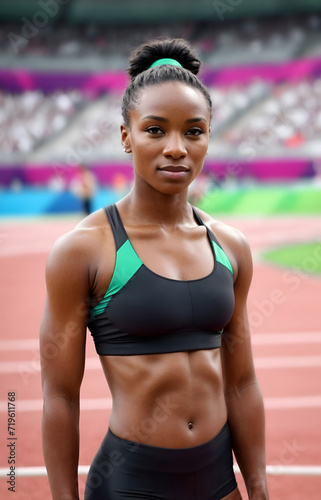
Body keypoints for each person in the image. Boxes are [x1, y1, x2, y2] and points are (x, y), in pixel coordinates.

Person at [40, 38, 269, 500]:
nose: (177, 148)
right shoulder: (84, 251)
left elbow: (241, 382)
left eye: (194, 131)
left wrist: (259, 487)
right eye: (155, 130)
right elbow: (60, 397)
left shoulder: (230, 247)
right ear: (127, 136)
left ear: (208, 137)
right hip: (131, 484)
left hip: (219, 481)